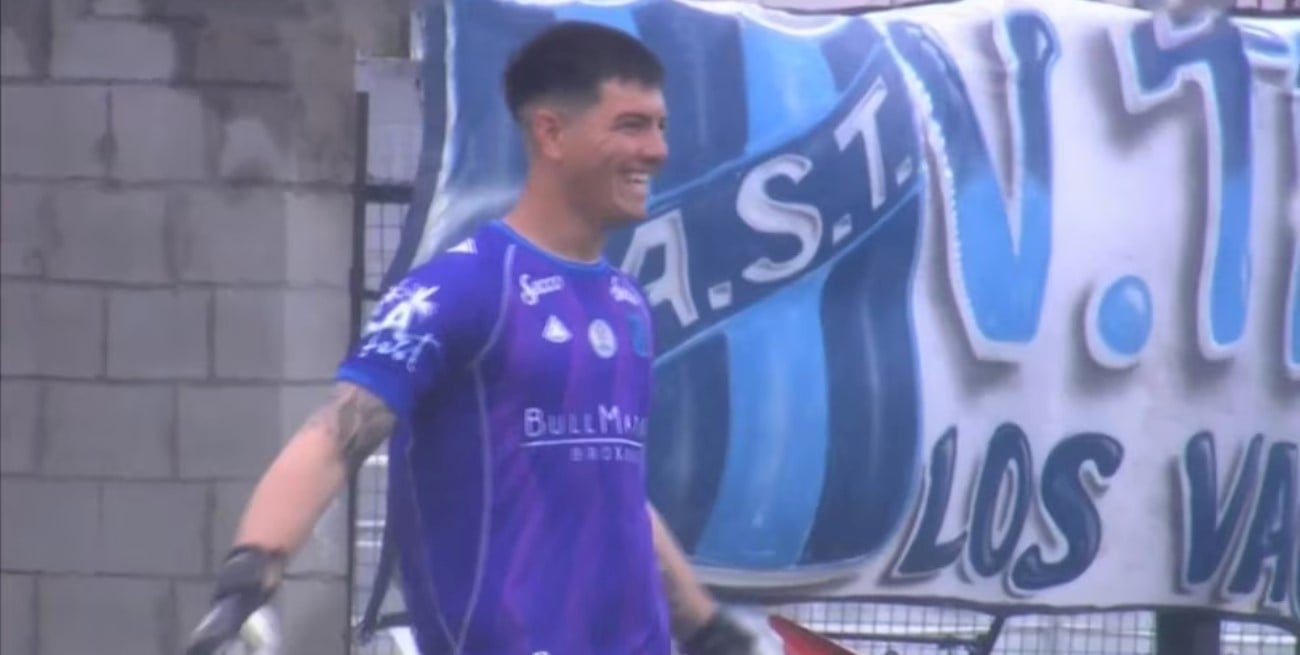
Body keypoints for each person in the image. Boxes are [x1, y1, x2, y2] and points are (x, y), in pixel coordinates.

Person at [186, 20, 768, 655]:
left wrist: (701, 625)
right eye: (631, 125)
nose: (656, 150)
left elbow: (612, 485)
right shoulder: (463, 288)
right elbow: (334, 436)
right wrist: (248, 579)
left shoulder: (625, 300)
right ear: (551, 132)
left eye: (660, 126)